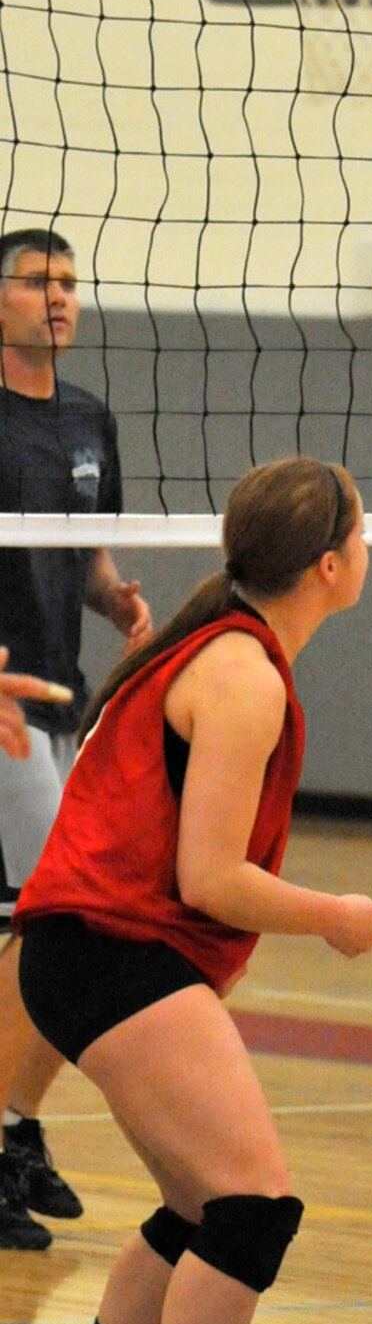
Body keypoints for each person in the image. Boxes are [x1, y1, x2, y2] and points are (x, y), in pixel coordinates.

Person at [14, 456, 372, 1324]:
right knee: (249, 1210)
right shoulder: (241, 675)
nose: (368, 547)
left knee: (196, 1205)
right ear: (328, 565)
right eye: (361, 531)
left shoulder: (223, 649)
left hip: (89, 953)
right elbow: (209, 877)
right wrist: (330, 915)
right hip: (109, 954)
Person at [0, 227, 154, 1251]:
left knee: (48, 927)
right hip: (1, 705)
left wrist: (117, 601)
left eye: (67, 281)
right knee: (62, 921)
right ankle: (9, 1131)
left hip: (64, 699)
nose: (57, 297)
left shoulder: (89, 417)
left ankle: (17, 1128)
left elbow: (84, 549)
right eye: (35, 281)